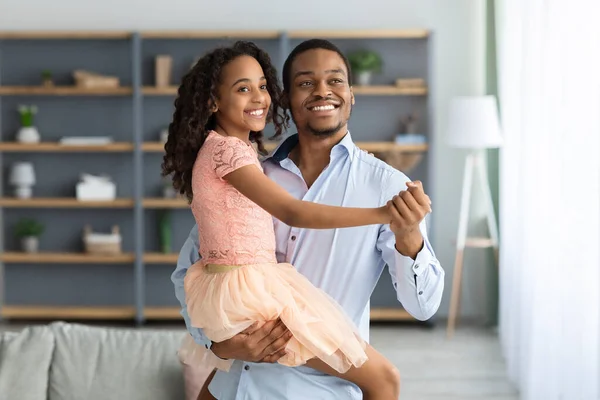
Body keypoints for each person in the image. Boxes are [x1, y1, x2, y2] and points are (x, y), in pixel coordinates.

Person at [171, 39, 445, 400]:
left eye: (335, 81)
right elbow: (193, 271)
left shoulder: (388, 187)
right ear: (286, 99)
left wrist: (408, 235)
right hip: (238, 387)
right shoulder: (250, 175)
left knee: (384, 379)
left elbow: (423, 308)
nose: (322, 91)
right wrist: (222, 345)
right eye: (305, 82)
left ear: (351, 94)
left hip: (322, 391)